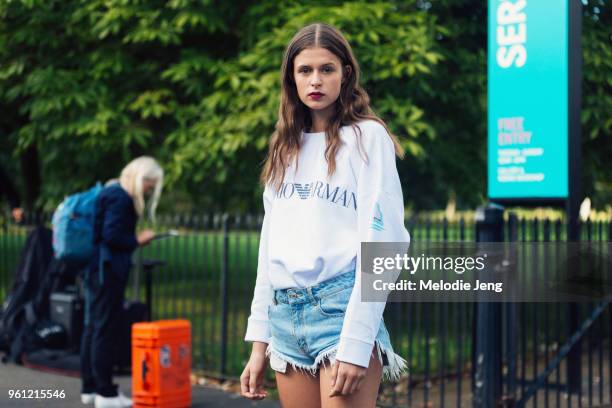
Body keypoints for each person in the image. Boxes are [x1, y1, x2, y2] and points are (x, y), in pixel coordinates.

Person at [241, 23, 410, 408]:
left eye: (327, 69)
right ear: (292, 78)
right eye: (305, 71)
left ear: (345, 73)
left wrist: (356, 341)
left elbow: (385, 242)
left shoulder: (368, 138)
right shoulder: (285, 147)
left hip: (340, 311)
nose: (315, 80)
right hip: (285, 318)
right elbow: (269, 251)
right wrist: (258, 344)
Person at [80, 156, 163, 408]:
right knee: (104, 329)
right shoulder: (120, 198)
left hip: (96, 269)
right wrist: (138, 240)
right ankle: (105, 393)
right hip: (108, 272)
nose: (150, 190)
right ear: (142, 178)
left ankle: (90, 388)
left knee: (93, 328)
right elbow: (112, 236)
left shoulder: (109, 190)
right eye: (151, 184)